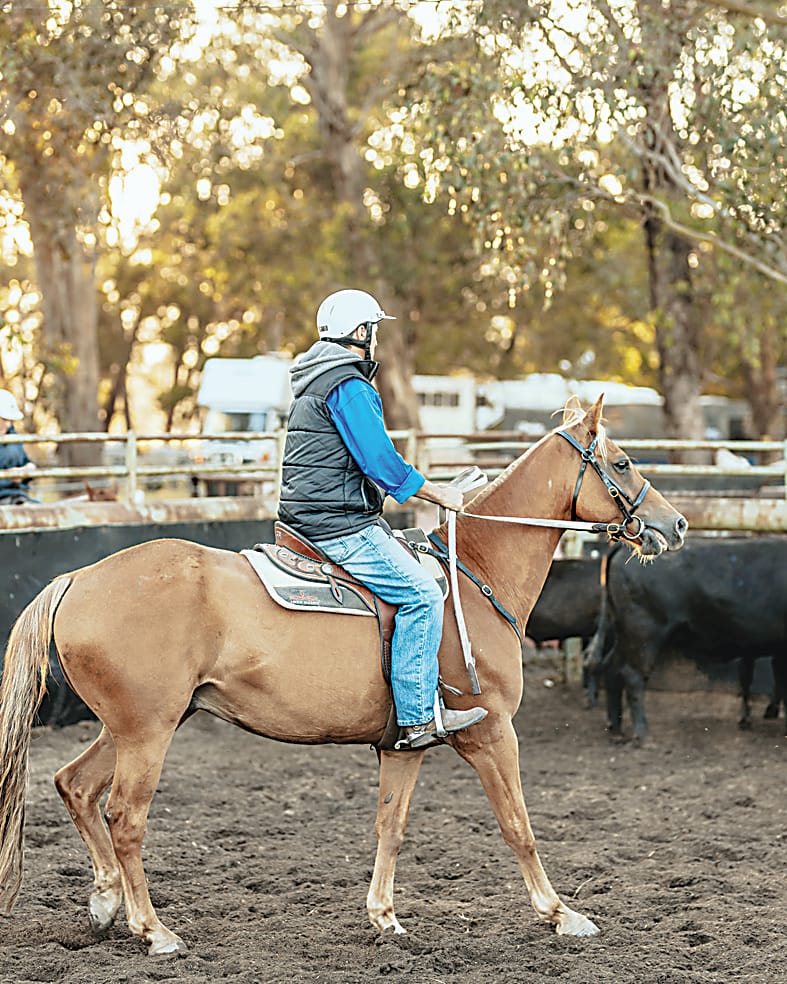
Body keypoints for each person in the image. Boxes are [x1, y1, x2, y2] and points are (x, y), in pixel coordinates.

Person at [278, 289, 487, 750]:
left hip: (308, 515)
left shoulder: (313, 380)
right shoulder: (348, 384)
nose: (375, 338)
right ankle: (416, 719)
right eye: (373, 329)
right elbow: (381, 464)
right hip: (338, 524)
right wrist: (441, 493)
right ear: (360, 332)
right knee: (423, 595)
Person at [0, 389, 38, 504]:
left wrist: (25, 470)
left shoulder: (13, 438)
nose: (7, 424)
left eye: (10, 420)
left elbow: (27, 462)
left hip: (18, 496)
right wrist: (6, 476)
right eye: (3, 419)